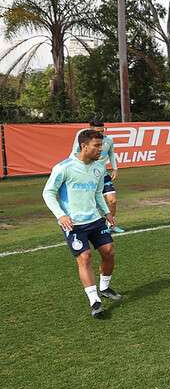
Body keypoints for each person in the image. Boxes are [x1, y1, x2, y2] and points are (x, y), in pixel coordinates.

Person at [43, 129, 121, 319]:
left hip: (95, 220)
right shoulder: (64, 167)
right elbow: (48, 192)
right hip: (73, 224)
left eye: (101, 146)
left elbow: (97, 193)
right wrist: (61, 215)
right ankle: (95, 301)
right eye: (96, 146)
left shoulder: (98, 168)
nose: (100, 151)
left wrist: (106, 213)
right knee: (85, 257)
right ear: (84, 146)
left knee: (109, 251)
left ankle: (104, 287)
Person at [72, 120, 124, 233]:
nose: (101, 133)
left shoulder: (108, 140)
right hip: (87, 175)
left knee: (112, 200)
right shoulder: (83, 138)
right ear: (90, 128)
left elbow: (111, 153)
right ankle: (91, 227)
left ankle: (111, 224)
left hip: (102, 174)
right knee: (91, 202)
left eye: (103, 130)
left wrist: (115, 168)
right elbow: (73, 153)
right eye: (98, 130)